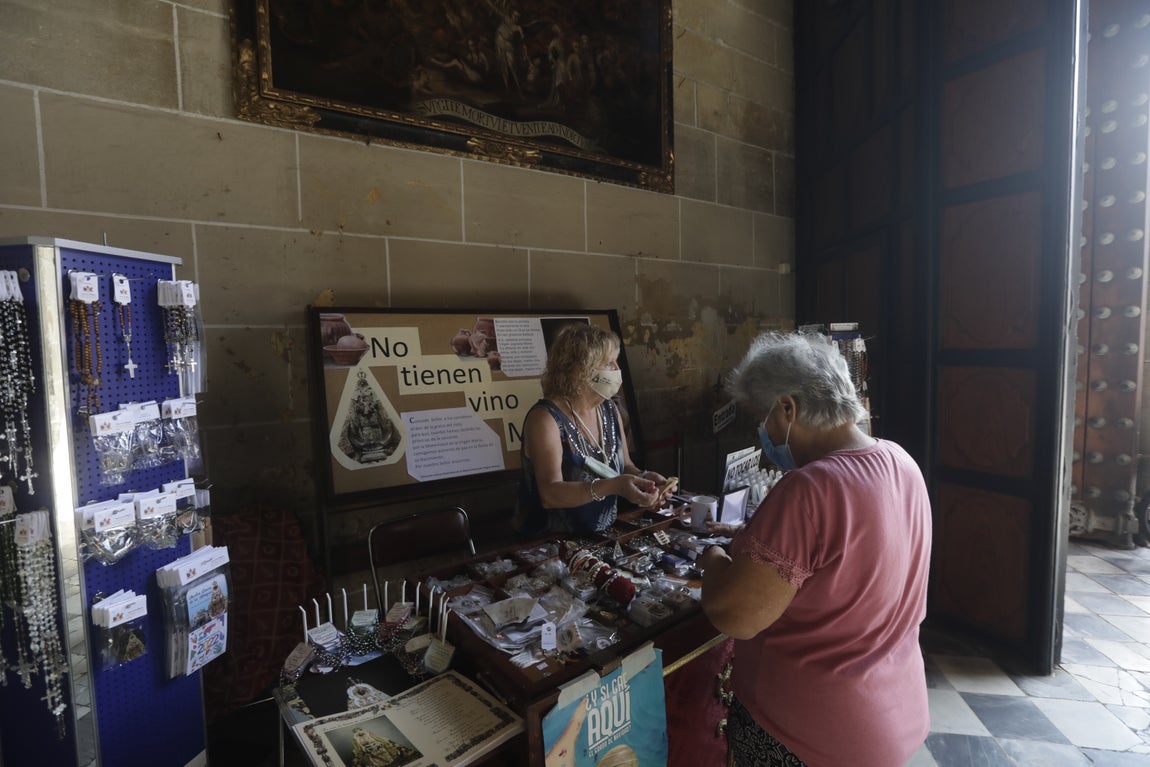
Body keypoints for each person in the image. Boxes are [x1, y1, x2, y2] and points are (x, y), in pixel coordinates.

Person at [699, 331, 931, 767]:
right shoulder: (900, 461)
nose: (764, 435)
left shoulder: (810, 488)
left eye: (761, 418)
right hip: (892, 711)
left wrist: (714, 562)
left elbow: (736, 616)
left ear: (788, 408)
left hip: (810, 733)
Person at [515, 323, 675, 537]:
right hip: (548, 546)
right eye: (609, 363)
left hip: (600, 537)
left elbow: (625, 466)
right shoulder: (545, 419)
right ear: (581, 369)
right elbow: (550, 493)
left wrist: (646, 480)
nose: (618, 370)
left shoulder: (609, 408)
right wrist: (614, 486)